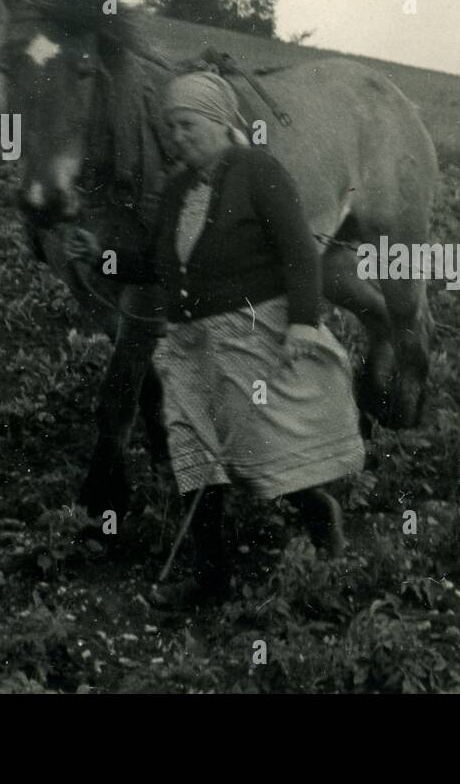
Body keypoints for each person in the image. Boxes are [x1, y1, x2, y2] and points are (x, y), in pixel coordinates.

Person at [64, 71, 366, 608]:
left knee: (258, 439)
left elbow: (300, 251)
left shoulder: (259, 171)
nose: (177, 137)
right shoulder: (178, 188)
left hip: (251, 328)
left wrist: (302, 319)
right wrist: (100, 256)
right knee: (192, 448)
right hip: (189, 340)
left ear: (220, 121)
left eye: (187, 125)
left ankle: (317, 511)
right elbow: (156, 265)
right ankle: (211, 577)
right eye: (171, 128)